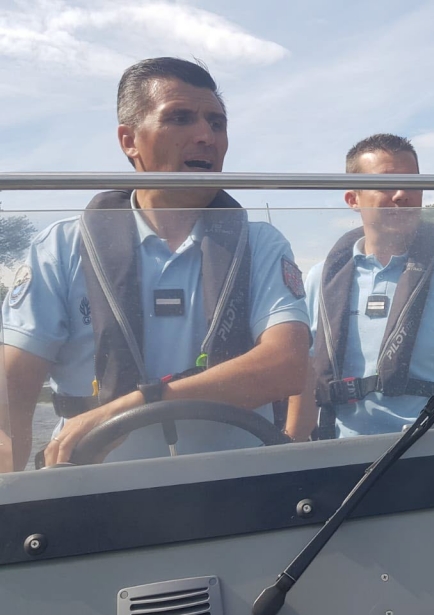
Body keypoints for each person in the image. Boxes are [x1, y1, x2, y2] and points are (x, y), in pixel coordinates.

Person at [2, 57, 310, 469]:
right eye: (180, 118)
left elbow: (287, 365)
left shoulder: (261, 243)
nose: (206, 136)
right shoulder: (59, 247)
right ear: (129, 140)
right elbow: (11, 396)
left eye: (217, 123)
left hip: (236, 490)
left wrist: (138, 402)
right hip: (93, 492)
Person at [286, 133, 434, 440]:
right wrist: (293, 450)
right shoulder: (319, 281)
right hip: (340, 461)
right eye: (386, 184)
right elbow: (306, 373)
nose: (403, 194)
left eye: (412, 183)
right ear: (353, 199)